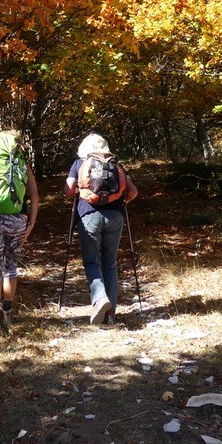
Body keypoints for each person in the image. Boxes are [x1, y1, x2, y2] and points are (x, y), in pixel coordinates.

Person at [64, 133, 138, 325]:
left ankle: (99, 299)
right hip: (115, 216)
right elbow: (133, 191)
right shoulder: (116, 165)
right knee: (110, 263)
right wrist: (123, 202)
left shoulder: (80, 164)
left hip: (88, 216)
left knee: (91, 262)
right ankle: (111, 315)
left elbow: (69, 191)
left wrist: (80, 193)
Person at [0, 130, 39, 336]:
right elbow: (35, 196)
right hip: (17, 220)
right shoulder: (20, 164)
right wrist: (30, 225)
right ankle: (8, 314)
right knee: (11, 266)